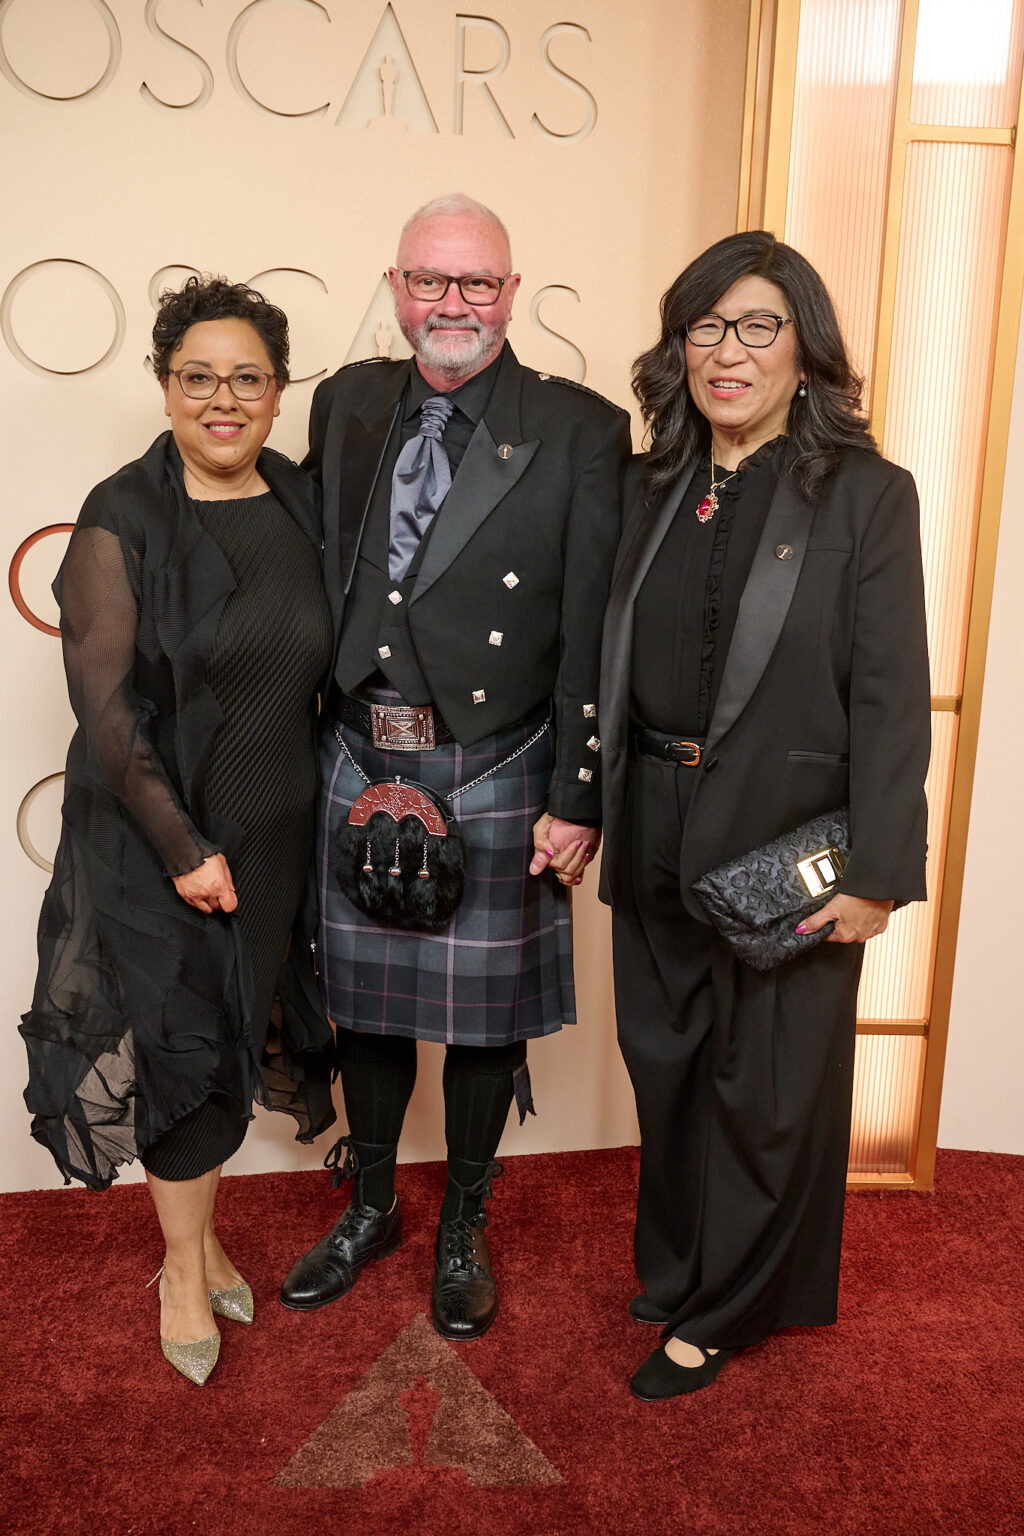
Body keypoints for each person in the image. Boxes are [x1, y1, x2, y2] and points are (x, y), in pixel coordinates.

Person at [279, 193, 631, 1339]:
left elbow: (589, 622)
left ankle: (461, 1228)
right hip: (357, 745)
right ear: (395, 289)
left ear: (511, 293)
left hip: (496, 758)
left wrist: (577, 796)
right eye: (430, 281)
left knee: (482, 1022)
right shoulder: (348, 402)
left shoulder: (576, 427)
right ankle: (373, 1204)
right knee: (369, 1012)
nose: (453, 305)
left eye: (476, 284)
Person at [599, 231, 930, 1400]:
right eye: (705, 326)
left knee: (771, 1085)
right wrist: (585, 805)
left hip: (791, 840)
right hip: (652, 823)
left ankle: (728, 1307)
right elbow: (600, 667)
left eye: (757, 327)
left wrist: (881, 873)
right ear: (677, 343)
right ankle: (685, 1265)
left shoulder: (867, 496)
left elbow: (891, 692)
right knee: (671, 1064)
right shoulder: (650, 486)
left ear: (806, 352)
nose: (726, 352)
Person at [21, 277, 335, 1385]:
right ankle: (182, 1273)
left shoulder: (301, 500)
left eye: (246, 378)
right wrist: (184, 851)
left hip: (276, 835)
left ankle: (199, 1242)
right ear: (164, 386)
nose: (222, 398)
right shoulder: (123, 515)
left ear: (278, 392)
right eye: (197, 376)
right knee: (184, 1059)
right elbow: (105, 715)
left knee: (233, 1051)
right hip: (158, 841)